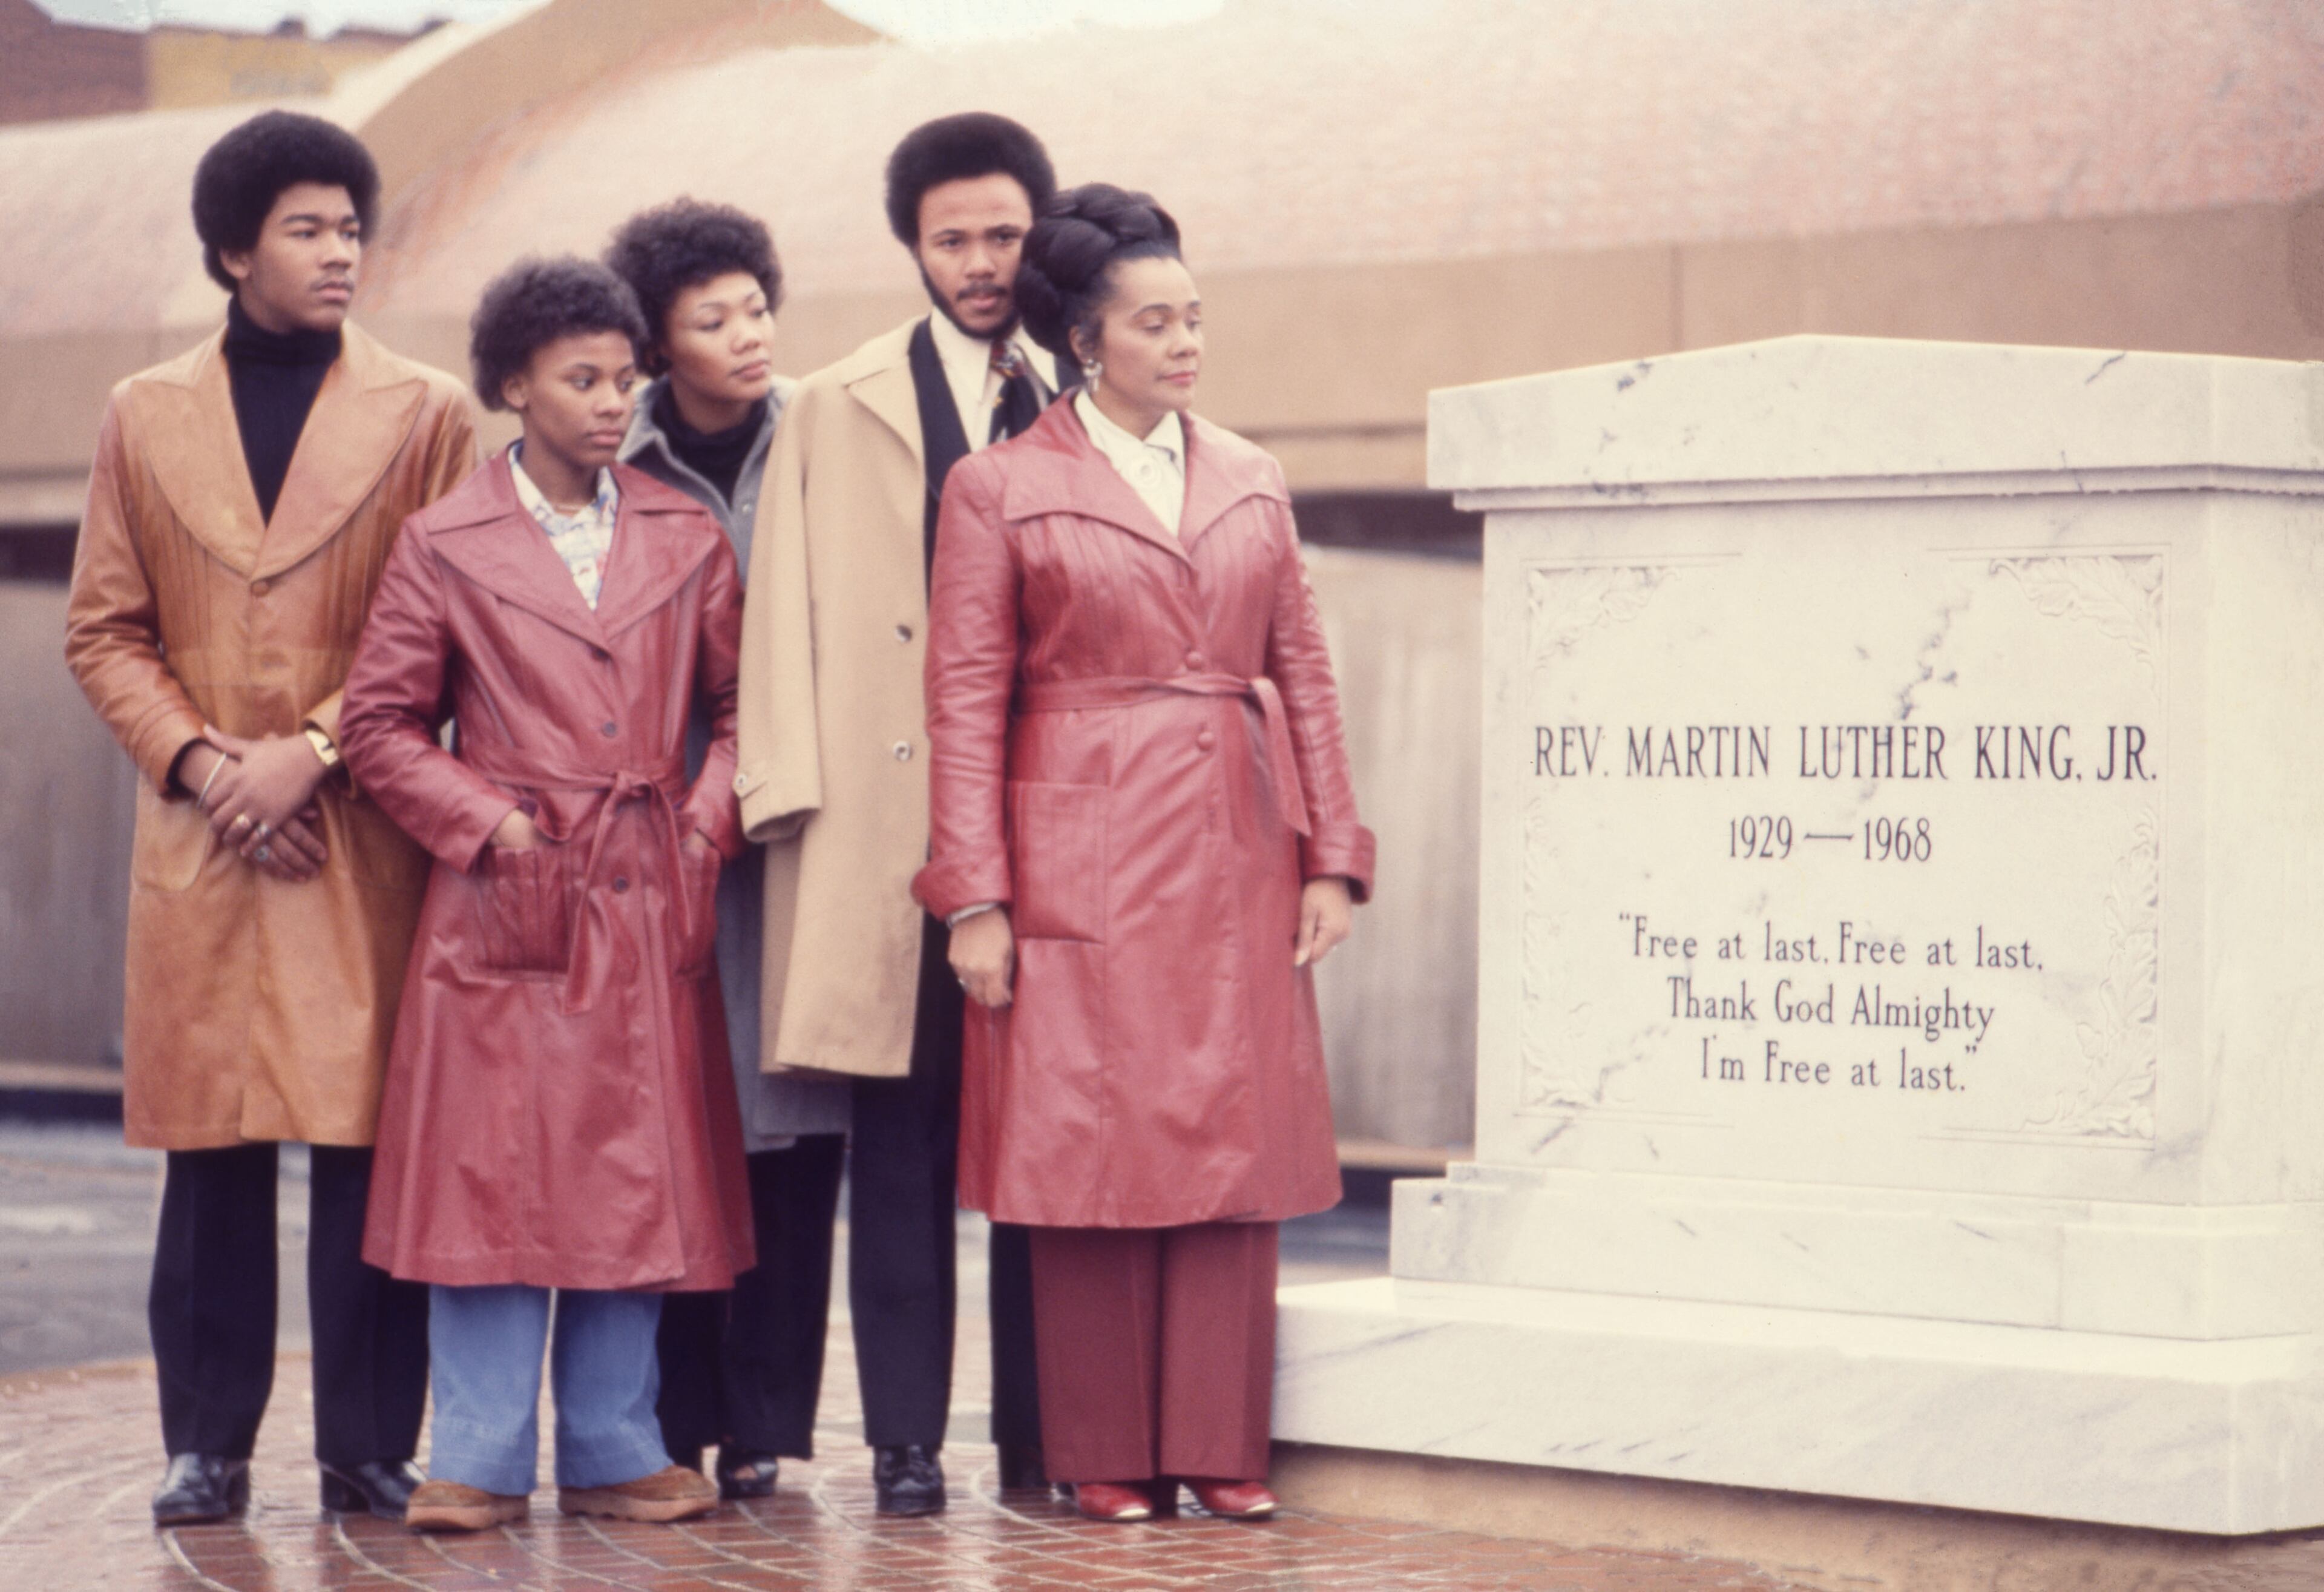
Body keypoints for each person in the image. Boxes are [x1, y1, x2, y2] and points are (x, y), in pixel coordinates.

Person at [911, 183, 1374, 1523]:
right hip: (1081, 841)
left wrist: (1333, 855)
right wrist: (976, 898)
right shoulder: (998, 485)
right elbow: (961, 697)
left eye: (1195, 320)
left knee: (1237, 1141)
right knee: (1090, 1140)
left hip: (1239, 834)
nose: (1185, 345)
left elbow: (1308, 672)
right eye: (1155, 323)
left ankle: (1225, 1445)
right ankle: (1104, 1447)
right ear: (1084, 339)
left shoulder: (1251, 474)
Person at [62, 109, 478, 1527]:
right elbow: (106, 630)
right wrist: (206, 768)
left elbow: (443, 626)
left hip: (356, 825)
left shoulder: (427, 413)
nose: (340, 251)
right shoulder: (142, 412)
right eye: (307, 228)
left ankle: (368, 1444)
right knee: (212, 1163)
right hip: (204, 838)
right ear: (233, 249)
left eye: (353, 227)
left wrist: (310, 752)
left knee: (371, 1156)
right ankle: (207, 1447)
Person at [336, 257, 753, 1534]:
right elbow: (379, 725)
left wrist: (701, 822)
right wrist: (493, 822)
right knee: (490, 1176)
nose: (609, 402)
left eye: (623, 380)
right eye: (580, 380)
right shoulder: (444, 539)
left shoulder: (685, 532)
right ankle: (472, 1450)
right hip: (507, 896)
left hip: (644, 885)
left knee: (635, 1171)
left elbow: (743, 711)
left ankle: (620, 1446)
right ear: (511, 385)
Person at [734, 111, 1069, 1515]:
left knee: (1056, 1146)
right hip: (888, 831)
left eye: (1003, 234)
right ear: (912, 247)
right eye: (954, 239)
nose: (982, 262)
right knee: (903, 1143)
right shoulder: (833, 400)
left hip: (1055, 823)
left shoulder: (1077, 388)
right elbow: (777, 621)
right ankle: (908, 1446)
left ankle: (1054, 1439)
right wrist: (782, 798)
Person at [605, 197, 849, 1501]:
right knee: (675, 1123)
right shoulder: (615, 455)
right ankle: (667, 1420)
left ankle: (765, 1421)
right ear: (657, 344)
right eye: (714, 319)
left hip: (804, 834)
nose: (749, 335)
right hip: (659, 835)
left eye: (758, 305)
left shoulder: (828, 431)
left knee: (797, 1129)